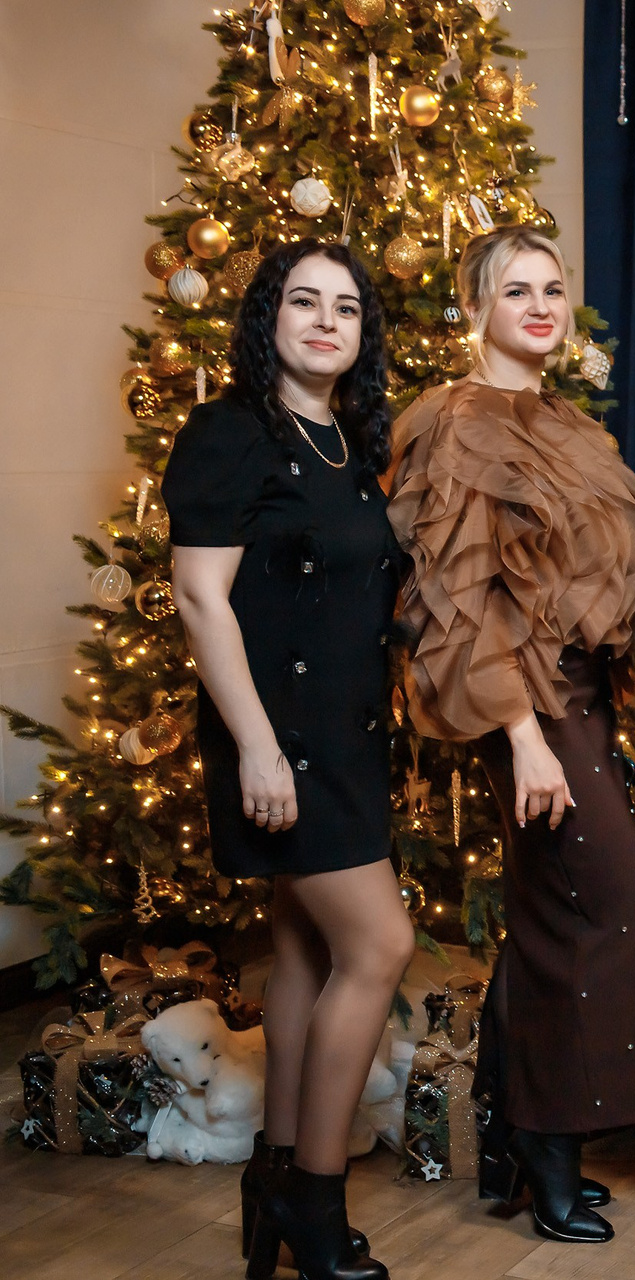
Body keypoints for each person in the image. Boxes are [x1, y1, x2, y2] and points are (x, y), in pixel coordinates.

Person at [387, 226, 635, 1246]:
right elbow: (459, 601)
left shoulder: (565, 422)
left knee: (551, 916)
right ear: (475, 308)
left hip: (582, 698)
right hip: (526, 702)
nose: (542, 307)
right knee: (609, 911)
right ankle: (551, 1147)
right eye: (517, 291)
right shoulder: (457, 420)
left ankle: (518, 1140)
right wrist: (522, 736)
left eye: (553, 289)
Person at [166, 239, 413, 1280]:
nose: (325, 321)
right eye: (303, 301)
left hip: (348, 736)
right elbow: (199, 598)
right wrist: (259, 748)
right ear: (268, 318)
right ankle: (313, 1198)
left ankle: (273, 1177)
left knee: (308, 953)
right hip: (281, 740)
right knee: (382, 945)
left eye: (345, 307)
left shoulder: (354, 440)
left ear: (363, 332)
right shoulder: (231, 432)